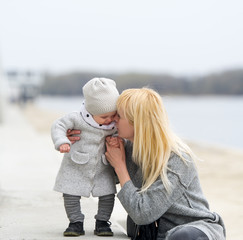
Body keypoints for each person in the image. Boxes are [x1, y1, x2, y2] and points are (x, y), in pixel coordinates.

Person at [67, 87, 226, 240]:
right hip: (156, 233)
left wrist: (120, 166)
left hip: (194, 230)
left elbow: (143, 213)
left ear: (137, 122)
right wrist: (78, 138)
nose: (113, 120)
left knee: (182, 236)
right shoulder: (126, 147)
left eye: (119, 116)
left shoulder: (177, 158)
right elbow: (90, 173)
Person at [51, 77, 119, 237]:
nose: (109, 120)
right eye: (104, 117)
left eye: (112, 115)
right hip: (76, 164)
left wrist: (117, 140)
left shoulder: (114, 123)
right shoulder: (76, 118)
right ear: (91, 111)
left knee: (108, 195)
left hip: (103, 167)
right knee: (70, 194)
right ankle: (75, 222)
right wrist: (62, 141)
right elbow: (58, 125)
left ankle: (102, 222)